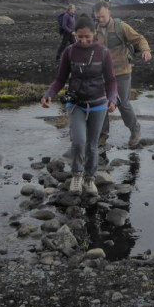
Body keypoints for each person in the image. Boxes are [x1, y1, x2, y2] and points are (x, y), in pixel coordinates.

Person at [41, 14, 118, 195]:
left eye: (87, 37)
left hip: (98, 104)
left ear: (94, 34)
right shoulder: (69, 52)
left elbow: (111, 80)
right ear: (75, 34)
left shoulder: (103, 52)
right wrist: (49, 94)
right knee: (78, 141)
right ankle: (76, 176)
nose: (83, 40)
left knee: (92, 144)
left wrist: (113, 99)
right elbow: (60, 79)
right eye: (79, 37)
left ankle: (90, 179)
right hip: (76, 105)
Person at [93, 0, 152, 148]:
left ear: (109, 12)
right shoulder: (95, 30)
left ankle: (135, 130)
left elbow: (139, 39)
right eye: (97, 17)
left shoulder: (121, 27)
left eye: (102, 16)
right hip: (103, 74)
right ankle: (102, 136)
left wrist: (146, 50)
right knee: (102, 103)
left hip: (122, 72)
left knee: (123, 104)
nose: (100, 20)